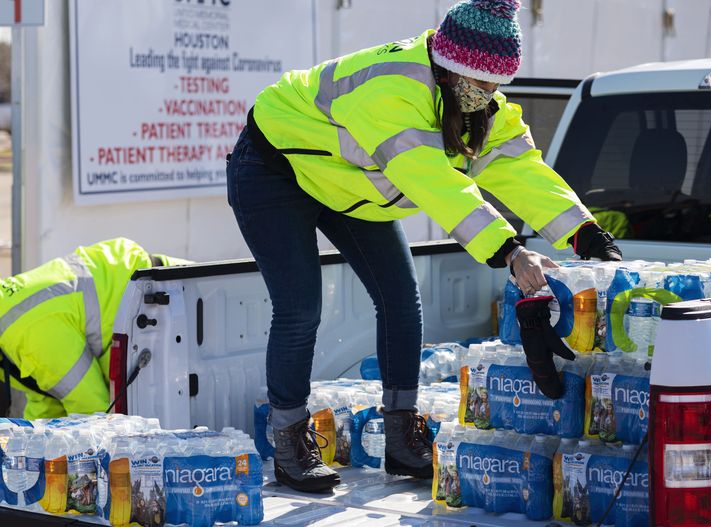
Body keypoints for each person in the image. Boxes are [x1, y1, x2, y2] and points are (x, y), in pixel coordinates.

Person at [226, 0, 621, 492]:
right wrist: (510, 251)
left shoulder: (471, 101)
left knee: (400, 300)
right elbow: (436, 183)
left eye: (498, 86)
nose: (490, 96)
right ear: (452, 69)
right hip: (275, 172)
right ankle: (288, 440)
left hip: (348, 187)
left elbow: (519, 167)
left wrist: (585, 233)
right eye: (482, 85)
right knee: (300, 306)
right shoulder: (392, 91)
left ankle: (400, 439)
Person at [0, 238, 188, 419]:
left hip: (165, 294)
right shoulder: (10, 323)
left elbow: (91, 411)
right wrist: (34, 444)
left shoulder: (29, 334)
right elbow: (48, 399)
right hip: (149, 299)